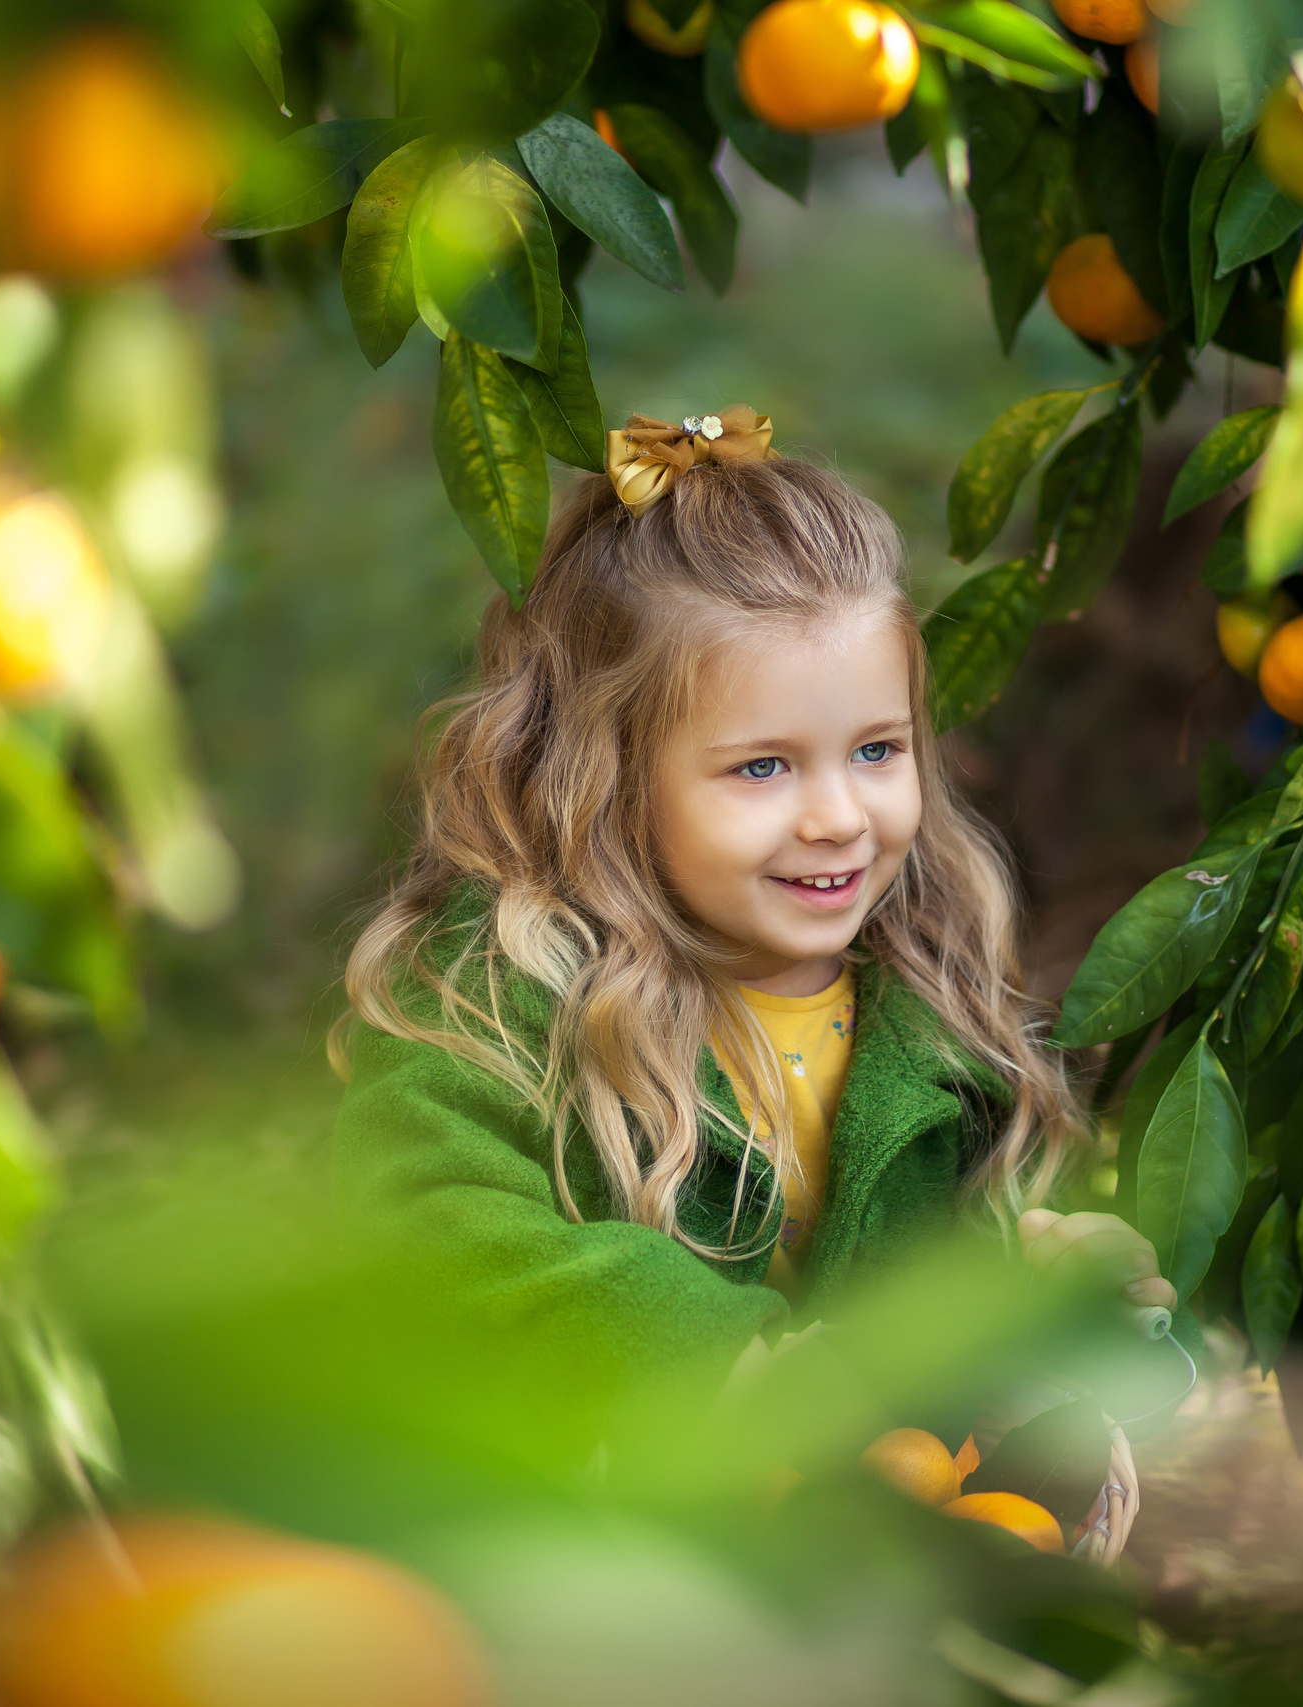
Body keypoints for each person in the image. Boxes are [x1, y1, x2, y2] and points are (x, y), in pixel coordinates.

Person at [331, 407, 1172, 1408]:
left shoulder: (933, 1005)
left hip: (867, 1533)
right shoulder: (504, 995)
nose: (838, 818)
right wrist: (697, 1347)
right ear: (609, 779)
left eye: (876, 750)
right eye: (763, 767)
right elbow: (424, 1220)